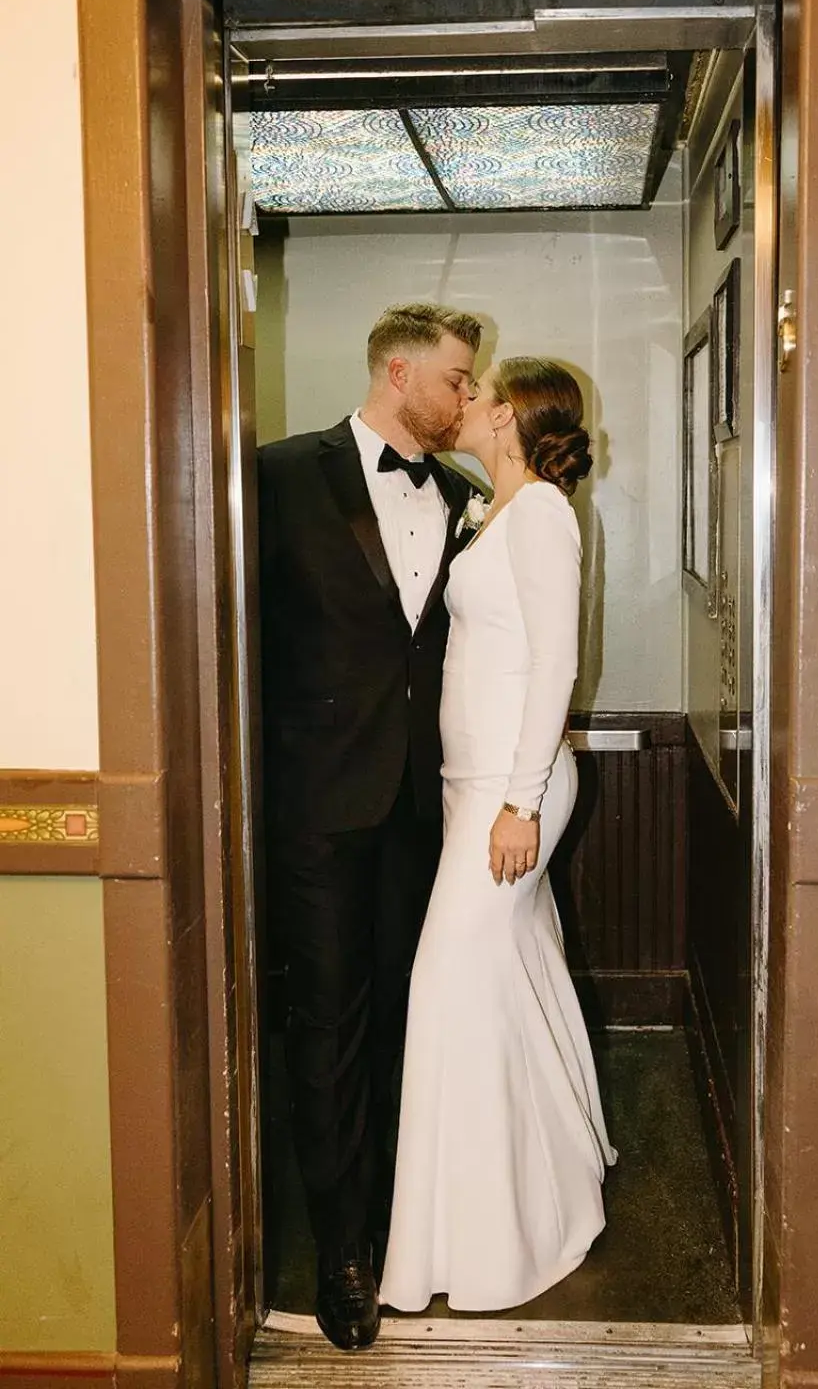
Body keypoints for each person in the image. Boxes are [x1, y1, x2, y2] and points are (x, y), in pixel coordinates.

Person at [258, 301, 484, 1351]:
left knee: (406, 1019)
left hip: (423, 809)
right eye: (454, 378)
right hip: (313, 809)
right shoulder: (273, 477)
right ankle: (339, 1249)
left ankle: (403, 1225)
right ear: (396, 371)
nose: (467, 398)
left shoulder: (469, 497)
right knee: (329, 1030)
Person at [381, 356, 617, 1315]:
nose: (464, 402)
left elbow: (556, 662)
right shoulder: (498, 510)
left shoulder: (544, 513)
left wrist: (519, 802)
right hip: (472, 787)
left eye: (478, 393)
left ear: (511, 414)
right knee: (508, 977)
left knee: (446, 986)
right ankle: (552, 1184)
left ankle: (486, 1239)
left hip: (508, 795)